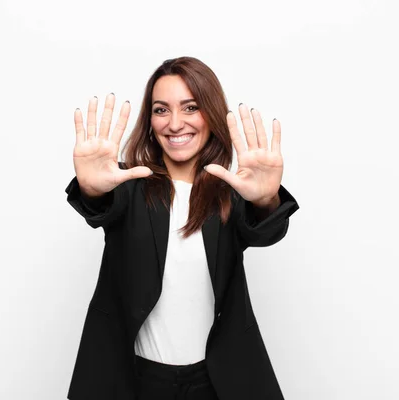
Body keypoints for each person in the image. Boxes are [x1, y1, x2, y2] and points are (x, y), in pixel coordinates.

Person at [64, 56, 300, 400]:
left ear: (211, 114)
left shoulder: (231, 192)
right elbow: (98, 208)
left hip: (216, 381)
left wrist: (266, 200)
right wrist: (92, 189)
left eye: (190, 108)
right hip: (136, 380)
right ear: (149, 121)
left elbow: (265, 232)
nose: (175, 124)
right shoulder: (129, 185)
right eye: (161, 110)